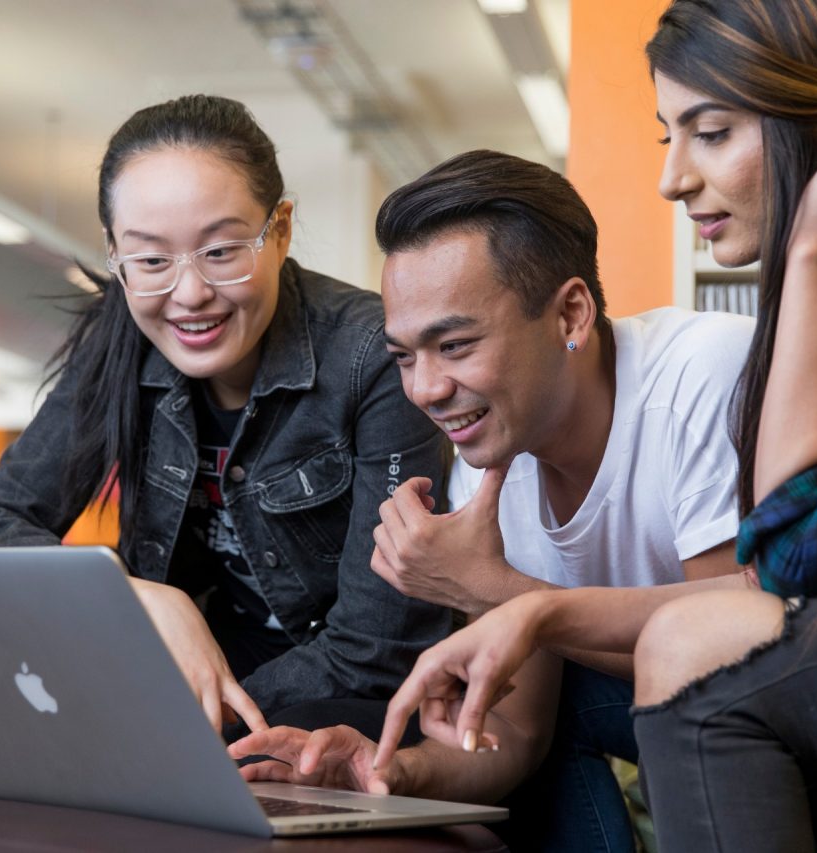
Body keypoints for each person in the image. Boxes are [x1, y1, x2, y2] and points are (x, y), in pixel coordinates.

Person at [359, 1, 817, 850]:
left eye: (711, 132)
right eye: (668, 137)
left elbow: (787, 566)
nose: (674, 177)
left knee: (694, 642)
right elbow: (519, 731)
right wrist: (376, 770)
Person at [231, 148, 755, 851]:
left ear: (570, 313)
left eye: (453, 344)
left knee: (574, 678)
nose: (424, 389)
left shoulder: (700, 374)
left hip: (799, 721)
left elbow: (742, 652)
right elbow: (515, 734)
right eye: (405, 355)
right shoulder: (485, 472)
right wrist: (385, 769)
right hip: (658, 720)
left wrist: (504, 592)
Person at [0, 94, 451, 794]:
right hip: (179, 662)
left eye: (222, 251)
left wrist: (177, 707)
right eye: (150, 259)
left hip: (330, 684)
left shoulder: (372, 356)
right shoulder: (117, 343)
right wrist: (128, 595)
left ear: (281, 229)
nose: (190, 293)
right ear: (115, 255)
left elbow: (375, 647)